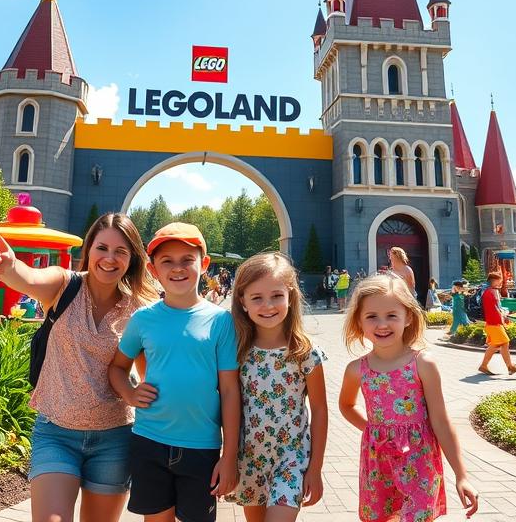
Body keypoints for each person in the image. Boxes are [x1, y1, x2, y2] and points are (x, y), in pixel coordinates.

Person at [0, 212, 159, 522]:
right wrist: (8, 268)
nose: (109, 258)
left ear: (132, 259)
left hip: (114, 439)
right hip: (56, 434)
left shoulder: (139, 310)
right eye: (102, 248)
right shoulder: (64, 286)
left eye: (121, 251)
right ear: (88, 249)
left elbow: (149, 374)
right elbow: (29, 278)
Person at [109, 222, 240, 522]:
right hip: (149, 441)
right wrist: (129, 392)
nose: (177, 268)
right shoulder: (143, 320)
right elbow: (117, 367)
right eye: (167, 261)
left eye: (187, 260)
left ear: (204, 265)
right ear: (154, 269)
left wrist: (229, 455)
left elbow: (230, 390)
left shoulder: (221, 321)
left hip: (202, 446)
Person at [338, 274, 479, 522]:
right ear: (359, 322)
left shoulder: (422, 364)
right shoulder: (356, 370)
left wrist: (461, 475)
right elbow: (347, 405)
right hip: (377, 462)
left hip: (419, 462)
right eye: (372, 316)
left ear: (408, 317)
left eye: (392, 315)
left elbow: (441, 422)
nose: (382, 324)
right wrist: (375, 430)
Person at [226, 252, 327, 520]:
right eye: (257, 297)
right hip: (249, 459)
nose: (268, 305)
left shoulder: (305, 351)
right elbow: (228, 402)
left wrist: (315, 468)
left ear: (290, 296)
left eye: (276, 296)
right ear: (242, 301)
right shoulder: (236, 350)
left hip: (292, 458)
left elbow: (319, 409)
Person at [477, 272, 516, 376]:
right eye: (500, 280)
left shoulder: (489, 291)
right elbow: (495, 309)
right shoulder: (492, 292)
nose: (501, 282)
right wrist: (503, 318)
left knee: (500, 344)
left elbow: (494, 308)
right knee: (501, 343)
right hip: (494, 323)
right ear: (495, 280)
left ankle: (509, 367)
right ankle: (508, 367)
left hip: (492, 323)